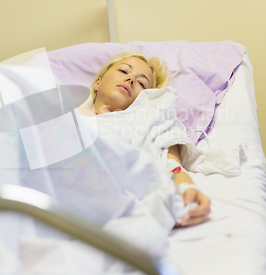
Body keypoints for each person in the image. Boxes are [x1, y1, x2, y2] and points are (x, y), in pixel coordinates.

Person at [85, 51, 211, 227]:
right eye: (123, 71)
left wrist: (188, 188)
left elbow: (172, 167)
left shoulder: (150, 124)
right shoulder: (65, 115)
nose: (131, 79)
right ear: (98, 82)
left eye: (142, 83)